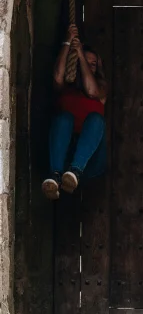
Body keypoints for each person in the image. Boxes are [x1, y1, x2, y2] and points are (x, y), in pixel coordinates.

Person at [42, 24, 108, 200]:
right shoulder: (66, 88)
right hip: (64, 153)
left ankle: (75, 172)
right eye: (86, 62)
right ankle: (56, 175)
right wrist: (67, 42)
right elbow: (57, 76)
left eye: (93, 64)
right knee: (63, 118)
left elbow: (92, 91)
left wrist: (80, 54)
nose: (90, 66)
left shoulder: (100, 89)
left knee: (96, 119)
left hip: (90, 160)